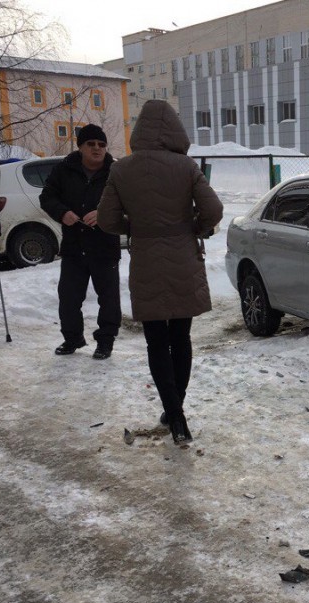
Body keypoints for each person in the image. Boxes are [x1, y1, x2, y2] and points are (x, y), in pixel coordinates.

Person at [97, 100, 223, 445]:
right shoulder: (186, 167)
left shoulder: (122, 169)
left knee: (156, 341)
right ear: (174, 130)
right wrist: (195, 227)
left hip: (147, 260)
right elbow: (213, 209)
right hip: (183, 255)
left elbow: (107, 219)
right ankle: (176, 410)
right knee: (181, 338)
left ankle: (176, 415)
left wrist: (136, 226)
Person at [39, 124, 121, 359]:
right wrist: (62, 212)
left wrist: (104, 214)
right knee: (69, 297)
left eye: (102, 144)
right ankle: (72, 338)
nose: (97, 149)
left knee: (109, 299)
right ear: (81, 147)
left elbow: (128, 204)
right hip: (74, 246)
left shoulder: (115, 172)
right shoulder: (64, 169)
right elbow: (47, 197)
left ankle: (105, 341)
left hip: (105, 246)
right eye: (91, 144)